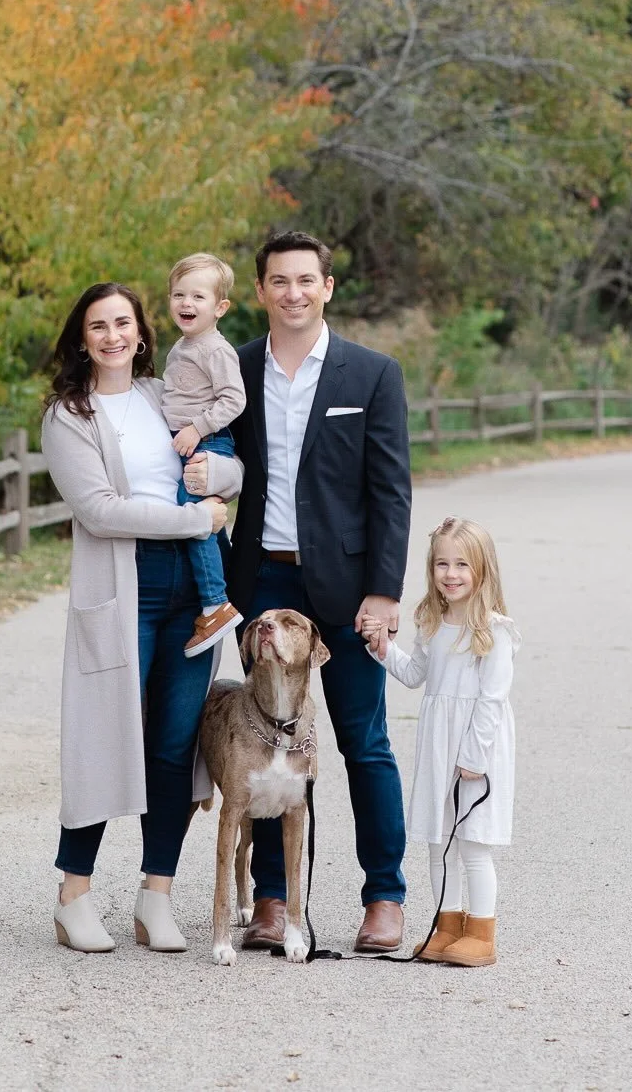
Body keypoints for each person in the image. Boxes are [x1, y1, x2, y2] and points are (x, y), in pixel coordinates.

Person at [210, 228, 412, 952]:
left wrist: (384, 592)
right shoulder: (233, 372)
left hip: (350, 585)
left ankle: (384, 896)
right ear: (261, 292)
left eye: (306, 280)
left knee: (365, 742)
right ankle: (270, 902)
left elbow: (391, 492)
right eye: (278, 281)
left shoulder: (372, 374)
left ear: (327, 287)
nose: (292, 292)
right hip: (264, 579)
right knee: (264, 747)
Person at [40, 281, 242, 955]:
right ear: (81, 339)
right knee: (105, 740)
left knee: (173, 747)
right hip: (124, 591)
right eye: (98, 325)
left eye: (123, 322)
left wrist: (217, 483)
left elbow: (230, 469)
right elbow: (100, 511)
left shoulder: (164, 396)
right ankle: (74, 895)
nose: (113, 335)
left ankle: (156, 895)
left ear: (142, 332)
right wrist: (194, 517)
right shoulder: (69, 416)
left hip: (193, 588)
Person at [363, 515, 520, 966]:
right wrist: (383, 648)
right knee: (439, 842)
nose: (450, 575)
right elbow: (415, 675)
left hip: (476, 749)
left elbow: (492, 700)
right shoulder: (433, 624)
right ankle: (446, 925)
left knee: (472, 842)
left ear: (483, 570)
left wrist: (474, 756)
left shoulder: (495, 630)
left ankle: (482, 932)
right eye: (441, 564)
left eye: (462, 565)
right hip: (439, 746)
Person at [161, 253, 246, 657]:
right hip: (189, 440)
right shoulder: (182, 345)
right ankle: (229, 580)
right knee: (208, 521)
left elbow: (234, 399)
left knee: (191, 511)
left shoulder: (215, 349)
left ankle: (214, 604)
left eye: (198, 296)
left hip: (208, 442)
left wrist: (197, 428)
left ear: (220, 307)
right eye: (179, 294)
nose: (186, 303)